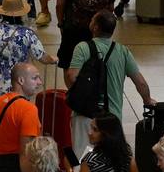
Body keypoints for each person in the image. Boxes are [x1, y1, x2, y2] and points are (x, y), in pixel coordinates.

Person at [65, 12, 154, 159]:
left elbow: (72, 76)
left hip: (85, 114)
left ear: (95, 27)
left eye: (93, 19)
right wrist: (147, 100)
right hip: (112, 117)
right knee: (110, 160)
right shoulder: (122, 51)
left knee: (82, 158)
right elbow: (141, 83)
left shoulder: (83, 48)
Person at [0, 0, 47, 102]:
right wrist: (54, 59)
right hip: (18, 86)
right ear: (22, 13)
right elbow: (42, 57)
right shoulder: (26, 34)